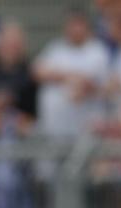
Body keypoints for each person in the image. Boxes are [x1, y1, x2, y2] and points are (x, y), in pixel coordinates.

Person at [33, 8, 109, 137]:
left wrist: (80, 83)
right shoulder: (56, 48)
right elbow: (37, 71)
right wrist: (67, 76)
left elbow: (97, 83)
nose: (75, 29)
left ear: (86, 27)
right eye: (71, 25)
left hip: (86, 124)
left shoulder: (97, 50)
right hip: (55, 126)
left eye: (78, 25)